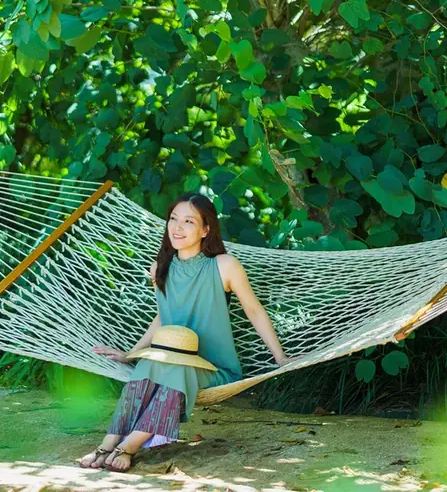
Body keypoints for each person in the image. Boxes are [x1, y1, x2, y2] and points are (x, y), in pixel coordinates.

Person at [77, 192, 294, 472]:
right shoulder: (160, 268)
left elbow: (254, 310)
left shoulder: (224, 266)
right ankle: (107, 444)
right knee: (148, 365)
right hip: (168, 360)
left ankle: (127, 447)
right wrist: (131, 354)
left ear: (206, 230)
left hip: (214, 369)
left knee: (177, 371)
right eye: (173, 219)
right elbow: (162, 317)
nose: (177, 227)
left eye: (188, 221)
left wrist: (280, 358)